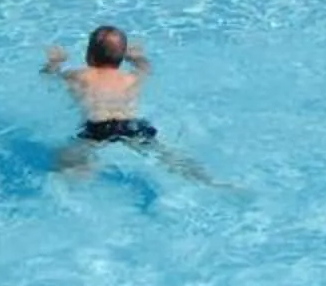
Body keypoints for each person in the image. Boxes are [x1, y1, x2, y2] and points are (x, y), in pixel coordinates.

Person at [42, 25, 216, 181]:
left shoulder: (79, 75)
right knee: (168, 155)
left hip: (98, 127)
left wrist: (55, 63)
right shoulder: (130, 78)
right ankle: (208, 180)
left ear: (89, 55)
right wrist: (138, 58)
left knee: (66, 163)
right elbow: (146, 70)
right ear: (121, 58)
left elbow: (49, 76)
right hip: (132, 125)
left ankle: (83, 178)